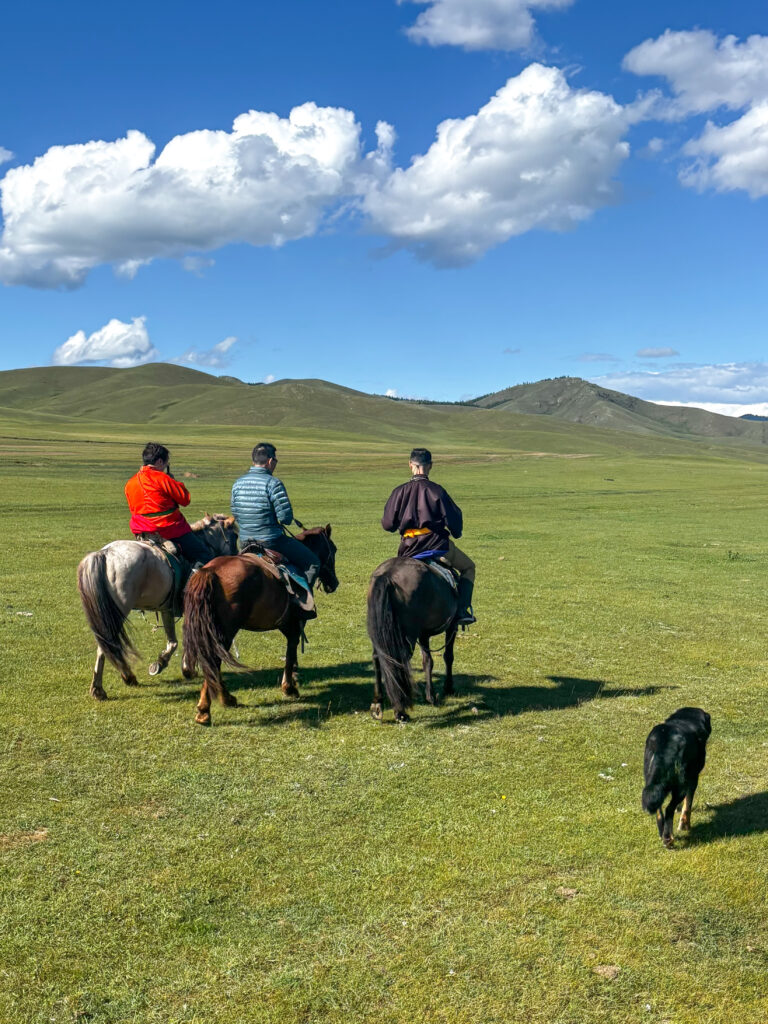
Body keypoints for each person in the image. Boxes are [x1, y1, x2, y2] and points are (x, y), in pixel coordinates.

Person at [381, 447, 476, 625]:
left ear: (410, 465)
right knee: (469, 567)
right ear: (430, 466)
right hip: (436, 546)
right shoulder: (437, 491)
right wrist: (457, 532)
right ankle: (462, 611)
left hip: (408, 549)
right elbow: (455, 521)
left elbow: (388, 525)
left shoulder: (398, 492)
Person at [231, 442, 321, 588]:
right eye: (275, 461)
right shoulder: (273, 483)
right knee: (313, 563)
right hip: (270, 540)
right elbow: (285, 518)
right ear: (270, 461)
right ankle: (300, 605)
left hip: (244, 541)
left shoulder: (237, 483)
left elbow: (236, 513)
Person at [125, 442, 213, 567]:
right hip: (168, 529)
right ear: (160, 462)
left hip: (141, 530)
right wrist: (174, 481)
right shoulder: (163, 478)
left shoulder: (130, 483)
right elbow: (185, 500)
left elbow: (133, 508)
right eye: (166, 463)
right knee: (205, 556)